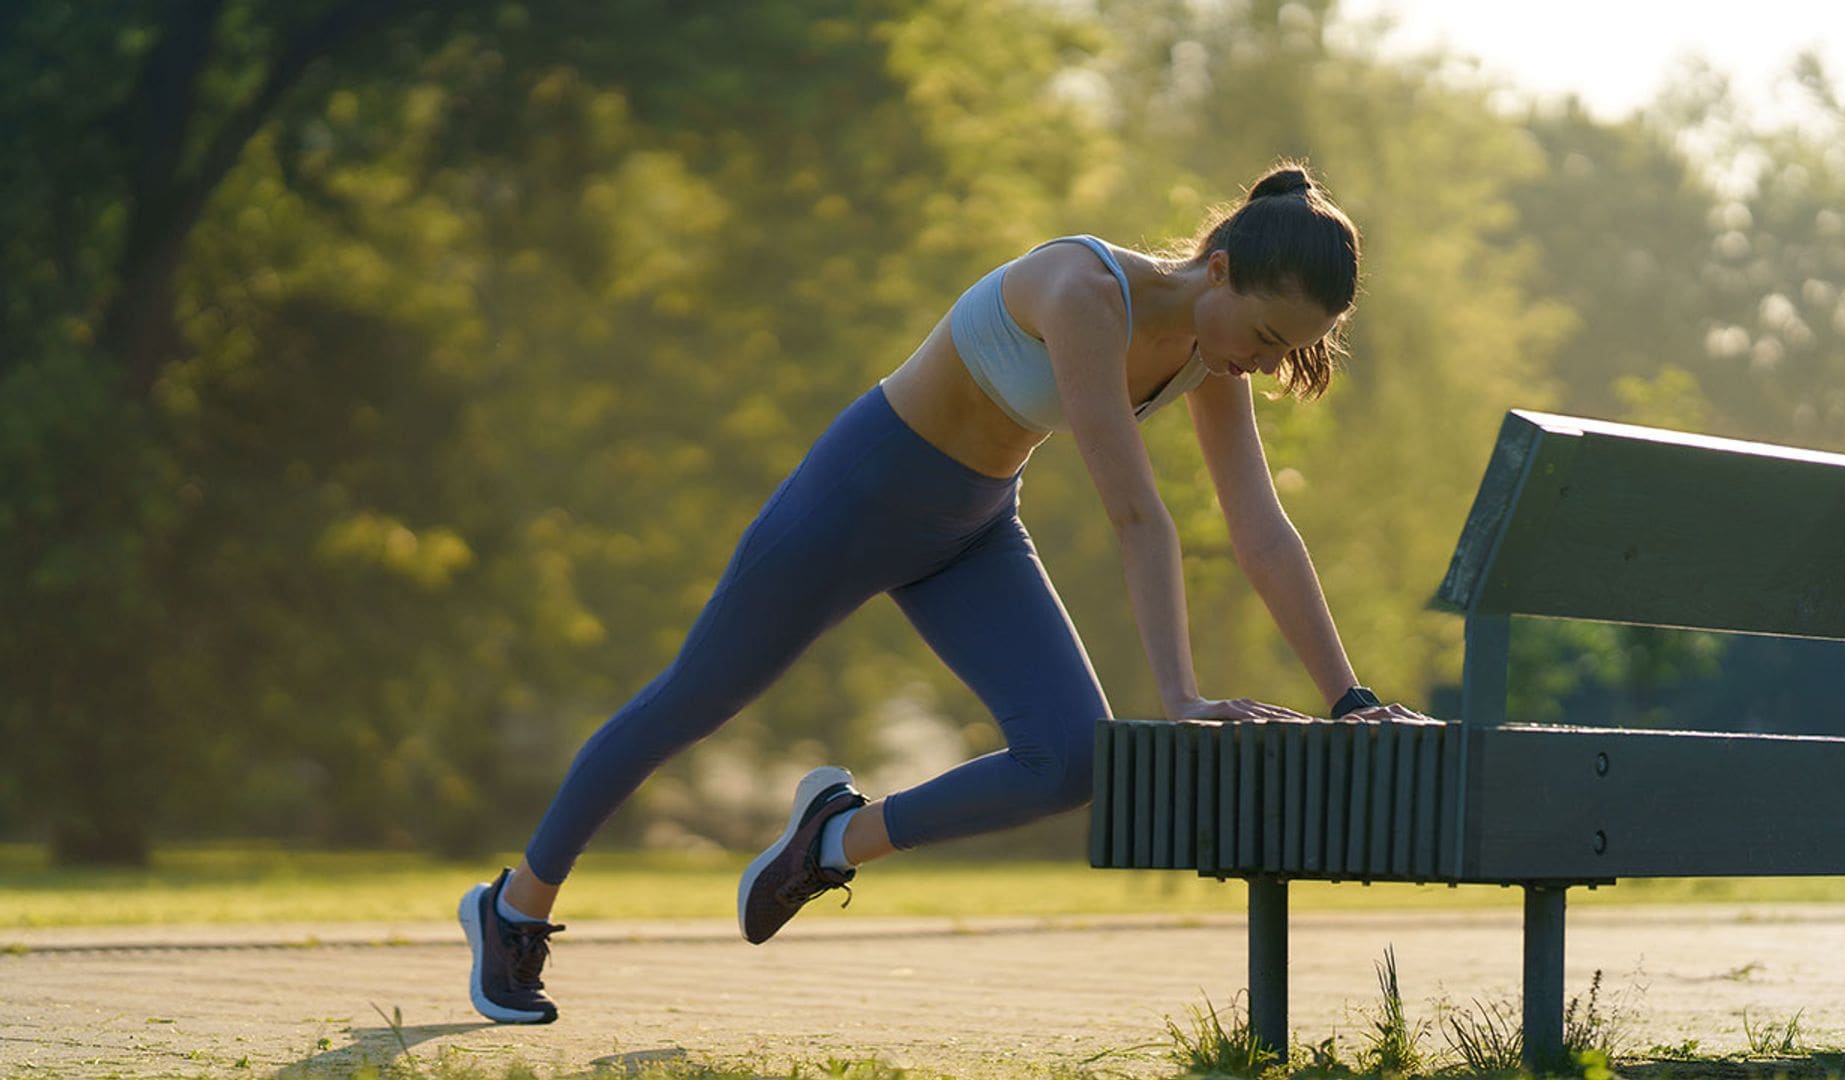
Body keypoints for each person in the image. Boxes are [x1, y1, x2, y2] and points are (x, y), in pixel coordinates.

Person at [458, 160, 1425, 1023]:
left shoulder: (1213, 359)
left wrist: (1351, 699)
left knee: (1071, 760)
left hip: (973, 531)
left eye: (1283, 349)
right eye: (1263, 334)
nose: (1261, 362)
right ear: (1218, 270)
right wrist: (1177, 695)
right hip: (857, 497)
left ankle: (832, 840)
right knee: (690, 703)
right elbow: (1136, 517)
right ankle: (514, 908)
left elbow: (1260, 529)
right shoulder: (1086, 290)